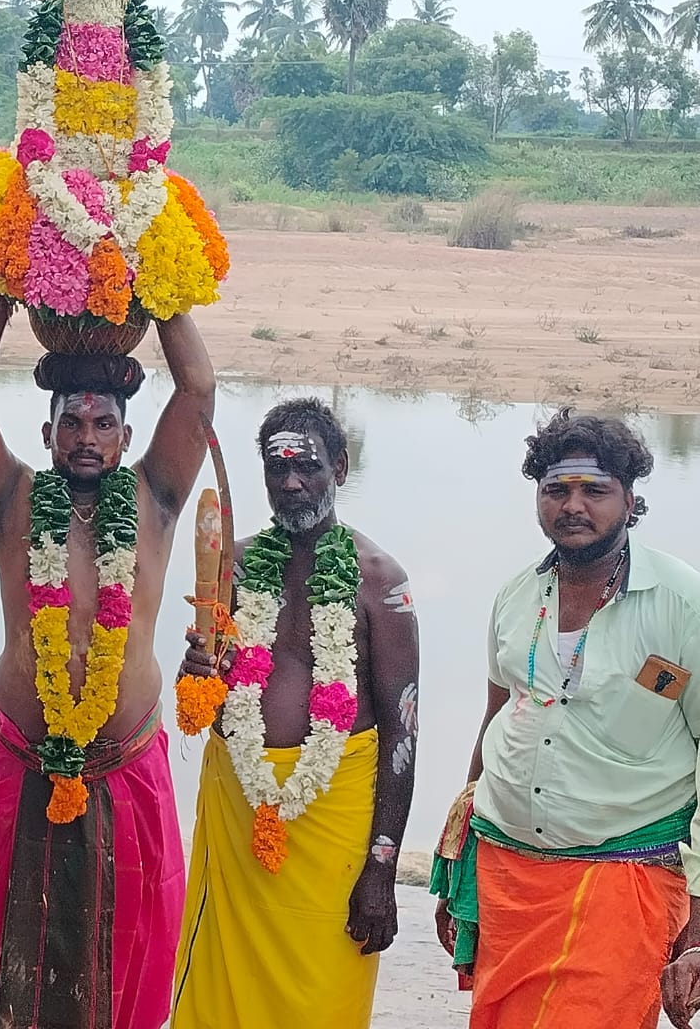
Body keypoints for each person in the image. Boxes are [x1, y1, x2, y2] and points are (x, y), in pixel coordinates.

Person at [0, 296, 215, 1029]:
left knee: (133, 949)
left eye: (102, 425)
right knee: (4, 945)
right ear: (47, 430)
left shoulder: (155, 500)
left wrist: (166, 292)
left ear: (126, 436)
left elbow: (196, 392)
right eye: (71, 422)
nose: (86, 438)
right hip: (24, 760)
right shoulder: (12, 501)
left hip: (125, 764)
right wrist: (1, 294)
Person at [433, 409, 700, 1029]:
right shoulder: (516, 595)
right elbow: (497, 717)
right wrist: (459, 856)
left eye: (595, 490)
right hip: (506, 876)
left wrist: (696, 922)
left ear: (631, 502)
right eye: (556, 490)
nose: (572, 506)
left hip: (620, 879)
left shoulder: (681, 605)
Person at [172, 398, 419, 1028]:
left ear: (338, 465)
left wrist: (381, 870)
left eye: (306, 466)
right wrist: (195, 678)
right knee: (220, 998)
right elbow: (201, 706)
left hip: (333, 831)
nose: (290, 483)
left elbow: (402, 732)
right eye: (276, 470)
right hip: (238, 819)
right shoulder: (233, 568)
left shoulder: (380, 581)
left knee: (323, 1001)